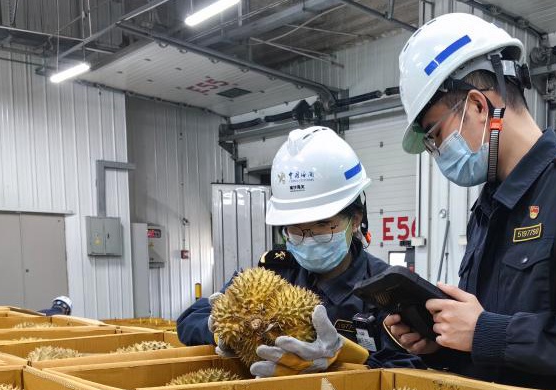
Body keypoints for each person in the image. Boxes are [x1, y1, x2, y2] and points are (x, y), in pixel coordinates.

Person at [383, 13, 556, 390]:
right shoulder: (487, 211)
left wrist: (486, 332)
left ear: (479, 106)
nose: (436, 153)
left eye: (436, 135)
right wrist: (443, 346)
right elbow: (497, 353)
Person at [177, 126, 424, 376]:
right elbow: (189, 319)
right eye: (296, 229)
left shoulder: (388, 289)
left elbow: (413, 366)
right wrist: (221, 330)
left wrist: (345, 359)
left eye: (322, 225)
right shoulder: (273, 274)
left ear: (356, 219)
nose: (308, 239)